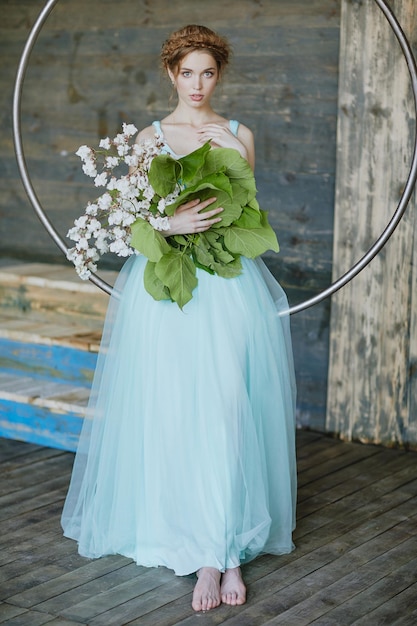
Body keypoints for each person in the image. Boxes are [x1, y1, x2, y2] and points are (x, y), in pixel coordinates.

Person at [61, 24, 297, 613]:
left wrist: (232, 150)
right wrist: (170, 226)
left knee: (226, 407)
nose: (197, 84)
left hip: (226, 287)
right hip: (168, 288)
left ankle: (223, 552)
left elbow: (249, 208)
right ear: (171, 74)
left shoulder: (240, 132)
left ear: (220, 75)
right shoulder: (149, 137)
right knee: (174, 409)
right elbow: (131, 223)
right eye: (187, 73)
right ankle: (191, 541)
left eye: (208, 73)